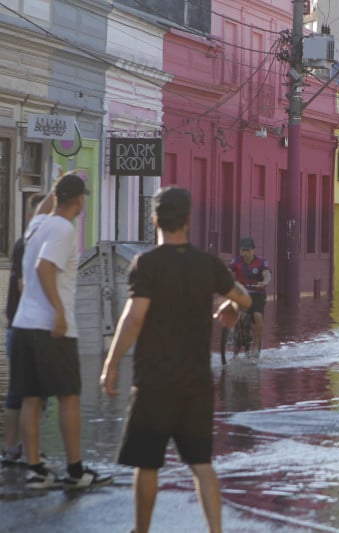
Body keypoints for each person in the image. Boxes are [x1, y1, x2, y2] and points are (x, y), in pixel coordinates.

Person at [100, 186, 251, 533]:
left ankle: (142, 530)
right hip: (195, 382)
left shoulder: (146, 265)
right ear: (188, 220)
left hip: (153, 382)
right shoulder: (208, 265)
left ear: (154, 219)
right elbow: (244, 298)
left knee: (147, 465)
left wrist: (110, 364)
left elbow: (134, 318)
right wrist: (230, 306)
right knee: (202, 464)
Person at [9, 173, 111, 490]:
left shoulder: (36, 226)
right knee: (69, 396)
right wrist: (59, 312)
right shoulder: (64, 229)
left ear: (55, 196)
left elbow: (38, 243)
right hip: (51, 328)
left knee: (31, 397)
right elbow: (43, 266)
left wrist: (54, 192)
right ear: (79, 200)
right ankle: (75, 470)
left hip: (24, 324)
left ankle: (36, 469)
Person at [2, 192, 49, 467]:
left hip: (21, 326)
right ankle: (21, 451)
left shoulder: (26, 244)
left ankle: (17, 449)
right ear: (32, 215)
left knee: (23, 393)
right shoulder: (28, 245)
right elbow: (25, 285)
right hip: (27, 327)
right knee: (29, 393)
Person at [228, 237, 271, 357]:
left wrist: (264, 282)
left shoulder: (262, 262)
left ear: (253, 250)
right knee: (238, 313)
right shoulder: (236, 261)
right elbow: (227, 270)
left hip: (257, 294)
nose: (245, 253)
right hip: (242, 294)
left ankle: (256, 347)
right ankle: (234, 334)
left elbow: (267, 275)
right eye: (243, 250)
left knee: (257, 316)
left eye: (248, 250)